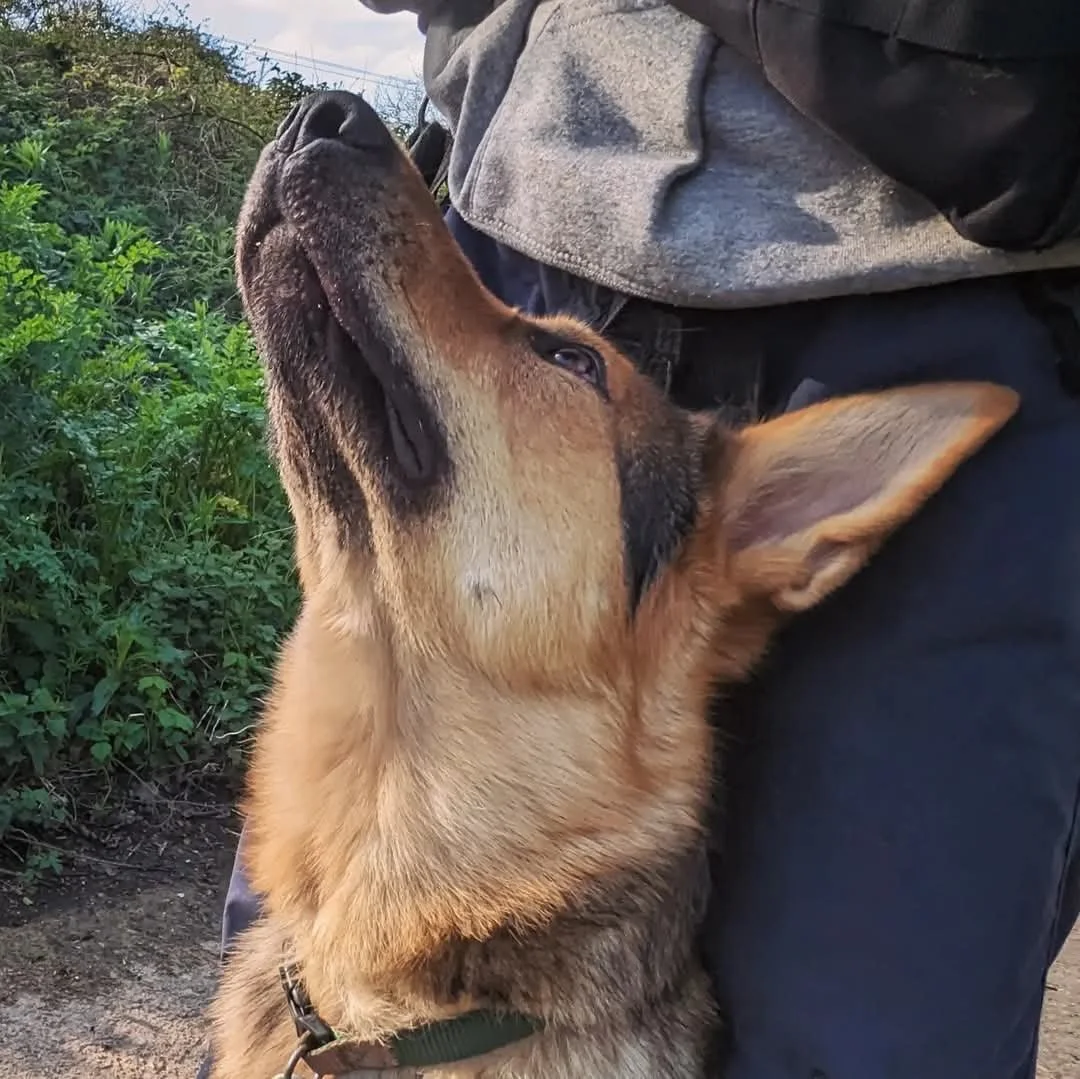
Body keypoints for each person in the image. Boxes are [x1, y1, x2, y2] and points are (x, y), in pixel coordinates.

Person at [201, 3, 1080, 1076]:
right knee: (292, 964)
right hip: (528, 198)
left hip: (959, 275)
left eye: (556, 361)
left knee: (875, 1031)